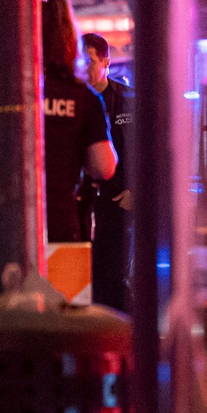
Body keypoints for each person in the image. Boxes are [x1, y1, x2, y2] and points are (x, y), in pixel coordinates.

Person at [40, 0, 116, 243]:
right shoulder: (82, 97)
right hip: (60, 221)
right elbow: (104, 167)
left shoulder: (5, 91)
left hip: (5, 225)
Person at [83, 32, 133, 311]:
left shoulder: (127, 99)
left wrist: (135, 192)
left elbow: (144, 149)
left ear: (106, 62)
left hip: (118, 203)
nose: (84, 67)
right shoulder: (79, 100)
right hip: (88, 205)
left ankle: (134, 340)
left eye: (89, 60)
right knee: (88, 282)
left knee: (115, 280)